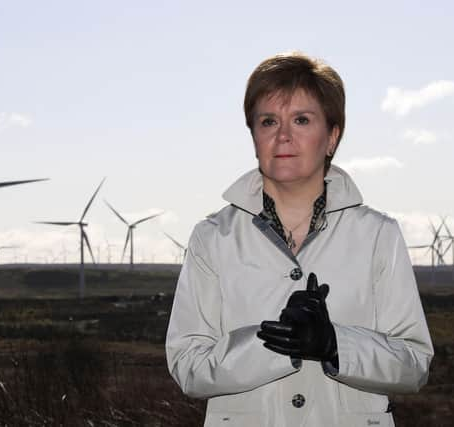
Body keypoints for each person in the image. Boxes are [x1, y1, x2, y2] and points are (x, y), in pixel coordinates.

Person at [166, 51, 433, 427]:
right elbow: (187, 366)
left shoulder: (377, 235)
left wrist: (334, 344)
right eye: (268, 121)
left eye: (302, 120)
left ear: (332, 137)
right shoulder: (212, 238)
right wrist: (277, 342)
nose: (283, 135)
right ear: (254, 134)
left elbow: (414, 364)